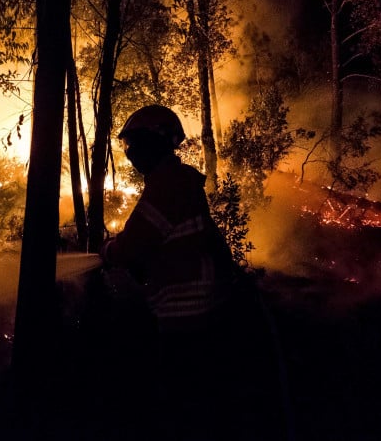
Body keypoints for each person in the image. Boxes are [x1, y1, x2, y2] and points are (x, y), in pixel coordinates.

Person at [99, 105, 270, 440]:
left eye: (134, 144)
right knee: (200, 400)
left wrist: (108, 251)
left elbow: (134, 244)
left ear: (155, 142)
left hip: (187, 315)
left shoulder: (167, 185)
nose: (131, 154)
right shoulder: (180, 183)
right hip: (205, 308)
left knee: (184, 404)